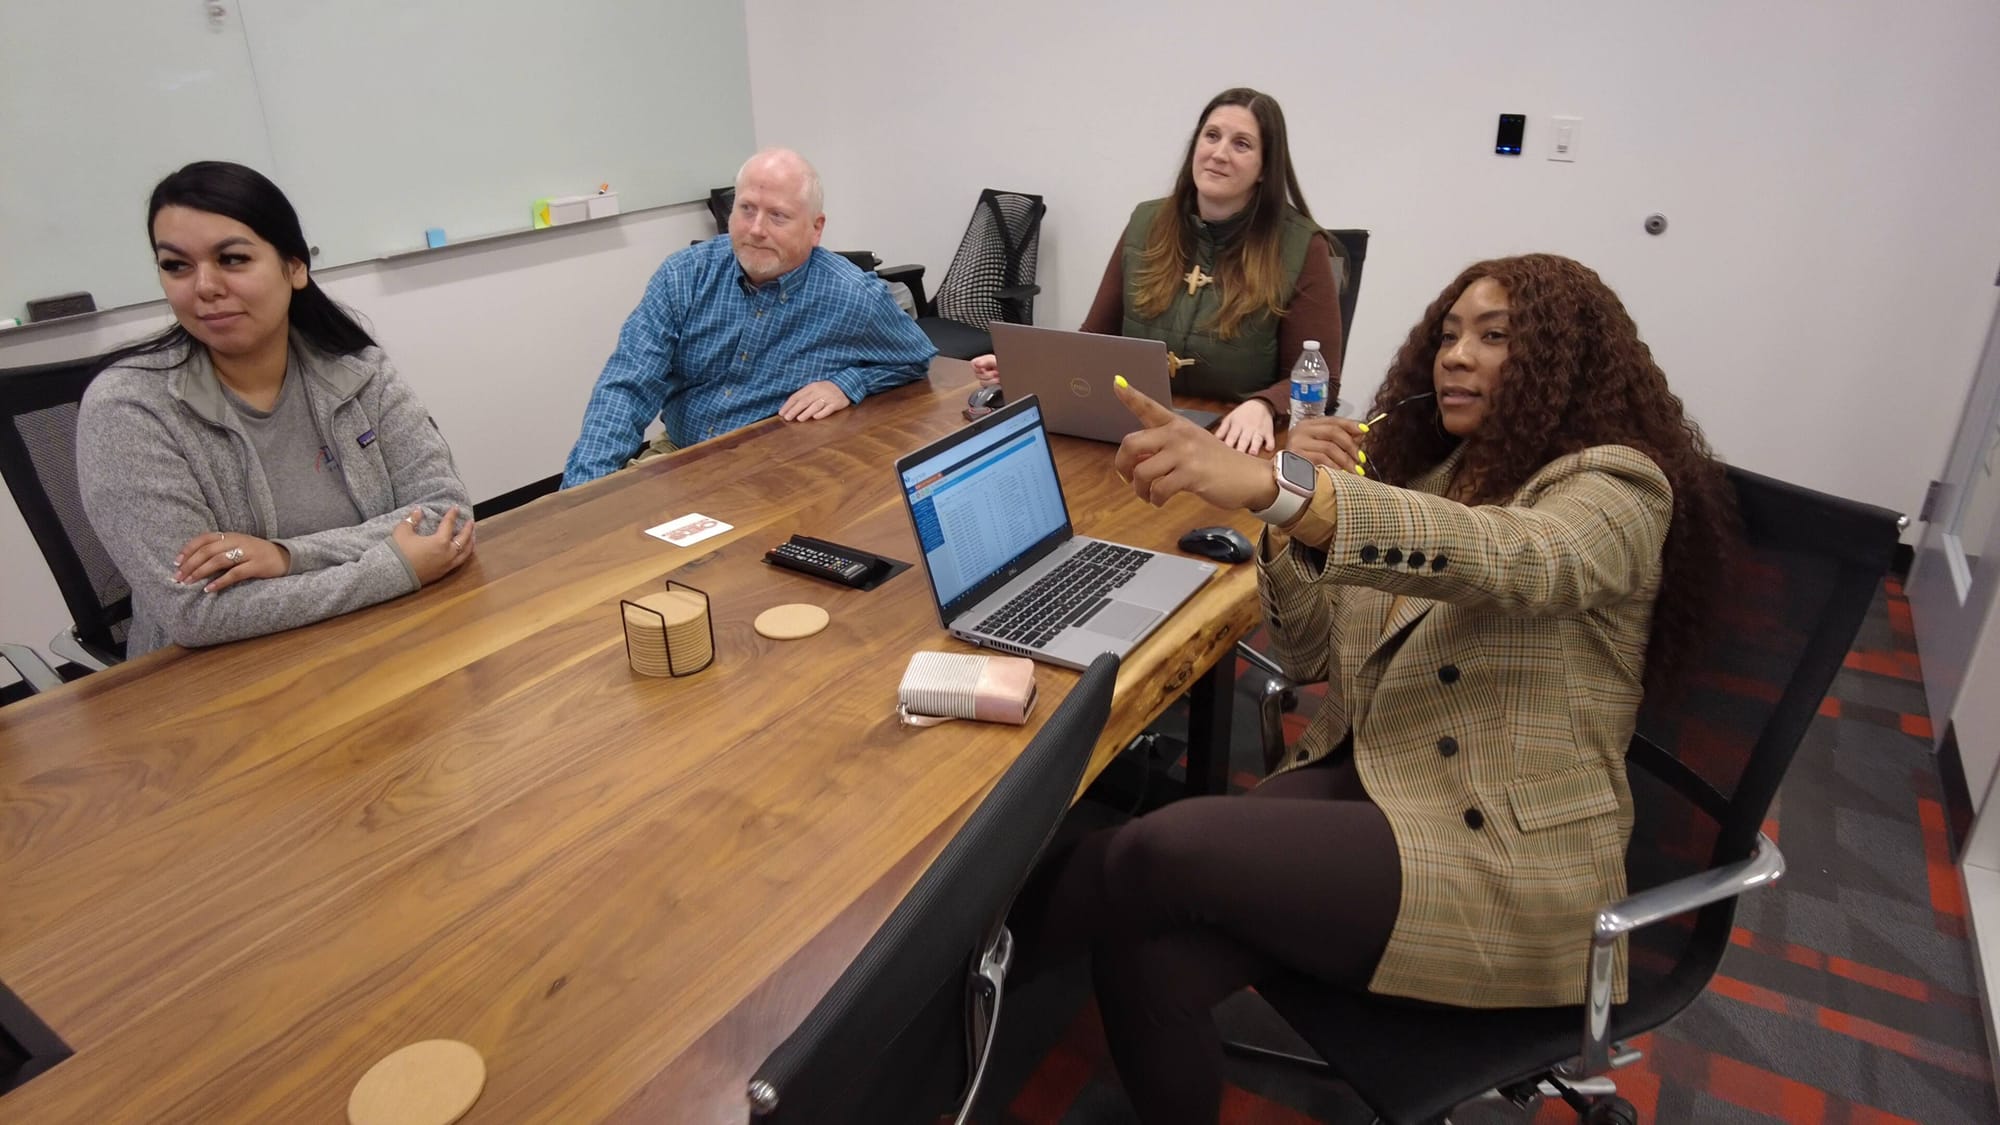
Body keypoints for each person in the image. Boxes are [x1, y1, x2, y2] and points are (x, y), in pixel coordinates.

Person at [1011, 254, 1736, 1124]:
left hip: (1502, 854)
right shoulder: (1429, 477)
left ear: (1564, 360)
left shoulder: (1617, 485)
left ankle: (950, 977)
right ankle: (963, 972)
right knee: (1147, 950)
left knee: (1153, 851)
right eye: (1449, 335)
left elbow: (1520, 559)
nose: (1456, 356)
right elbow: (1311, 649)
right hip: (1386, 783)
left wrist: (1292, 491)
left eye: (1495, 336)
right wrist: (1286, 510)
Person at [76, 161, 475, 659]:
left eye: (233, 259)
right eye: (176, 265)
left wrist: (288, 557)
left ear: (295, 267)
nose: (204, 287)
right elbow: (198, 613)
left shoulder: (359, 370)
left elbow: (445, 516)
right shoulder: (129, 410)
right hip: (226, 683)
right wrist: (396, 567)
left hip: (390, 640)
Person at [970, 88, 1344, 455]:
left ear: (1265, 167)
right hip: (1135, 429)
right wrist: (1032, 369)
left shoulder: (1301, 246)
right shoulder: (1146, 223)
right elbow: (1094, 340)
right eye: (1211, 136)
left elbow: (1322, 377)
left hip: (1234, 443)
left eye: (1242, 144)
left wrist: (1265, 405)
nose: (1219, 153)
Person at [560, 148, 938, 487]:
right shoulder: (683, 275)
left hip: (774, 474)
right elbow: (627, 386)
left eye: (778, 216)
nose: (756, 230)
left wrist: (848, 383)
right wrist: (580, 497)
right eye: (746, 209)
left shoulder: (852, 295)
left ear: (816, 228)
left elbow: (914, 357)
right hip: (680, 456)